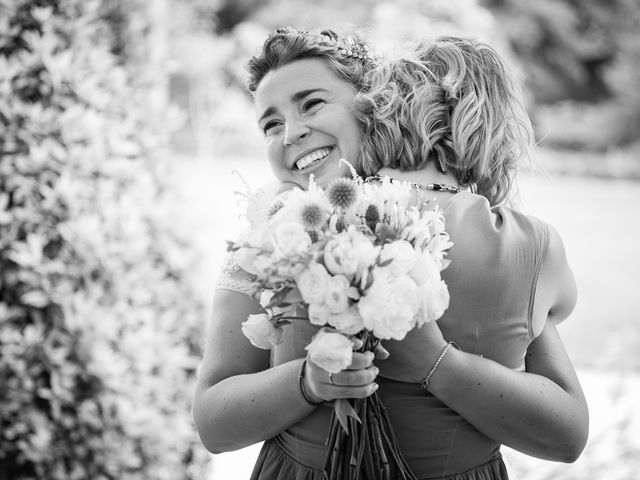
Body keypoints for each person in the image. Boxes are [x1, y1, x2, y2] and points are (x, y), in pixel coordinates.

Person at [192, 29, 588, 480]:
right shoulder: (266, 238)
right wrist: (308, 381)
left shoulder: (505, 242)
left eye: (311, 103)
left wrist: (439, 362)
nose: (292, 133)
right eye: (271, 124)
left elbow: (566, 430)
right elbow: (212, 421)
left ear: (373, 105)